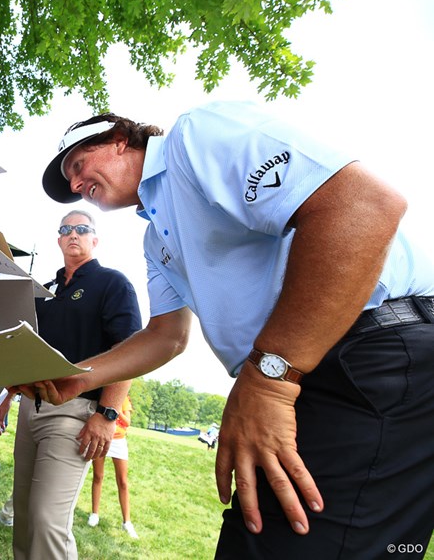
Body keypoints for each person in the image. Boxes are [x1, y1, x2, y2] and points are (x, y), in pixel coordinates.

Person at [35, 101, 434, 558]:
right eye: (71, 181)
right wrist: (81, 377)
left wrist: (267, 380)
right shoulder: (155, 238)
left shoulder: (191, 140)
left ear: (119, 139)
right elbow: (167, 336)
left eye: (78, 164)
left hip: (371, 357)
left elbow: (364, 203)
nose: (75, 184)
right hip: (309, 376)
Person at [12, 210, 142, 560]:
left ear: (94, 239)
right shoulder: (43, 291)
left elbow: (129, 351)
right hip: (31, 409)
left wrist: (107, 413)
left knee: (47, 520)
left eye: (82, 229)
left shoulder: (112, 284)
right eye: (66, 229)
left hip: (75, 414)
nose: (74, 234)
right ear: (58, 239)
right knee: (23, 518)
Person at [88, 395, 138, 538]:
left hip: (118, 441)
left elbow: (127, 422)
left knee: (122, 482)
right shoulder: (102, 395)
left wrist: (116, 410)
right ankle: (94, 514)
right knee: (98, 476)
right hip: (102, 437)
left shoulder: (124, 398)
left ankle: (127, 522)